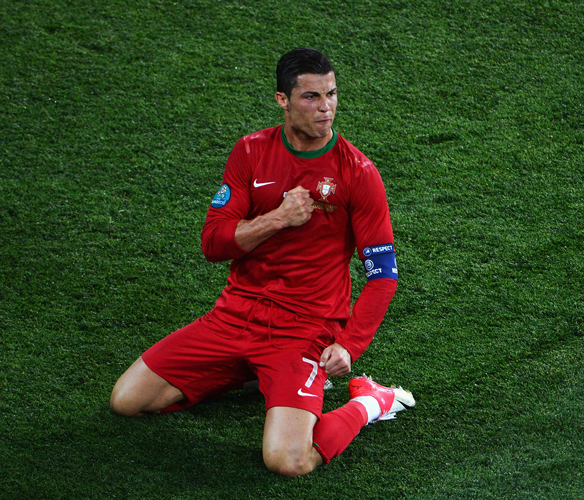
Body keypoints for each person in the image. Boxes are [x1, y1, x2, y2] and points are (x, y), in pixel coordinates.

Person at [109, 48, 414, 477]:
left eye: (331, 94)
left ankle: (370, 402)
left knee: (288, 461)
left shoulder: (357, 172)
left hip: (302, 329)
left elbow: (383, 276)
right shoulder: (251, 151)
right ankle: (254, 374)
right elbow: (213, 243)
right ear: (282, 100)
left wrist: (349, 344)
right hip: (233, 317)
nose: (325, 107)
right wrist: (278, 219)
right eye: (311, 96)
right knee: (127, 401)